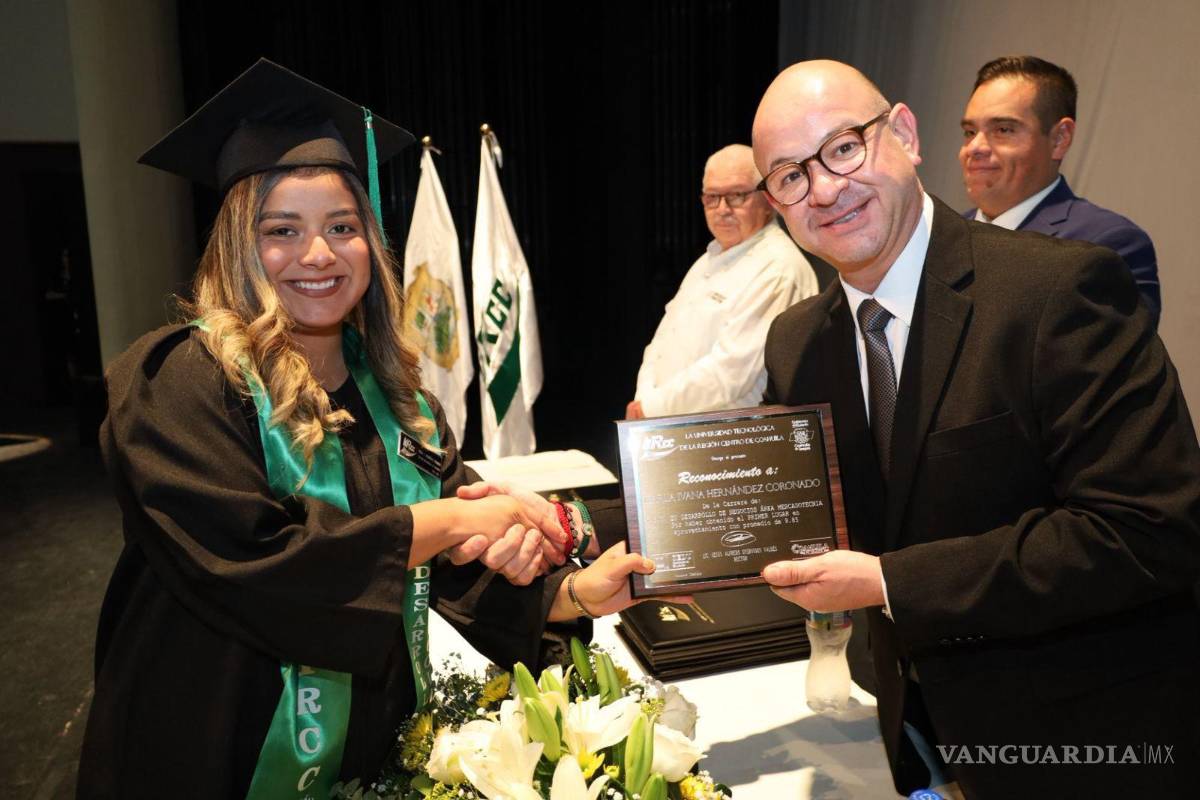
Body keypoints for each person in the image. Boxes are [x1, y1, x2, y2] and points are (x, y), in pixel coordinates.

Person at [77, 60, 661, 798]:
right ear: (237, 246)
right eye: (282, 230)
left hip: (363, 759)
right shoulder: (183, 381)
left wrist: (575, 594)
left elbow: (457, 569)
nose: (317, 254)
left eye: (342, 227)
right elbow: (265, 565)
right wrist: (447, 516)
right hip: (206, 749)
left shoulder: (397, 400)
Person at [750, 60, 1200, 797]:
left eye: (842, 149)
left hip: (1087, 742)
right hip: (917, 729)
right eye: (791, 176)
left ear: (903, 133)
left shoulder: (1057, 291)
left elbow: (1149, 528)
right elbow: (785, 501)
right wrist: (586, 531)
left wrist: (892, 581)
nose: (825, 189)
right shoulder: (798, 340)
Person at [959, 55, 1161, 326]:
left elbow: (1107, 365)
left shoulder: (1106, 245)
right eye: (970, 132)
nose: (975, 148)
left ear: (1059, 139)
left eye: (1003, 129)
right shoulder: (943, 237)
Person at [626, 144, 817, 420]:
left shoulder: (778, 267)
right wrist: (643, 398)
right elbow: (662, 342)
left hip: (732, 440)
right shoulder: (709, 258)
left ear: (767, 197)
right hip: (672, 425)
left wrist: (651, 408)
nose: (722, 209)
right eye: (712, 197)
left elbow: (730, 372)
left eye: (737, 196)